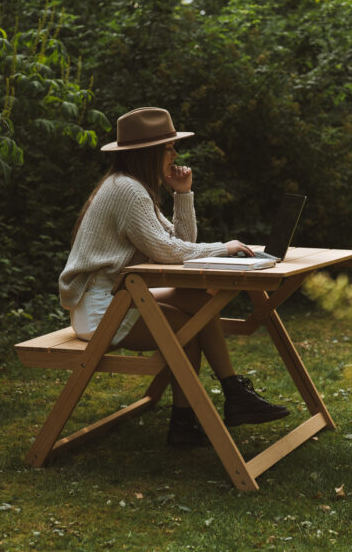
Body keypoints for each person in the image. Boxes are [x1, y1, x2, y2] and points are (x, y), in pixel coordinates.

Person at [58, 107, 289, 448]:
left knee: (198, 306)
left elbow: (181, 244)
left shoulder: (134, 189)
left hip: (118, 297)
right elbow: (167, 251)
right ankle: (218, 401)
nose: (175, 154)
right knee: (190, 324)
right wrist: (223, 248)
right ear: (148, 152)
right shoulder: (127, 190)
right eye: (169, 148)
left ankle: (209, 408)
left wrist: (182, 193)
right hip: (100, 309)